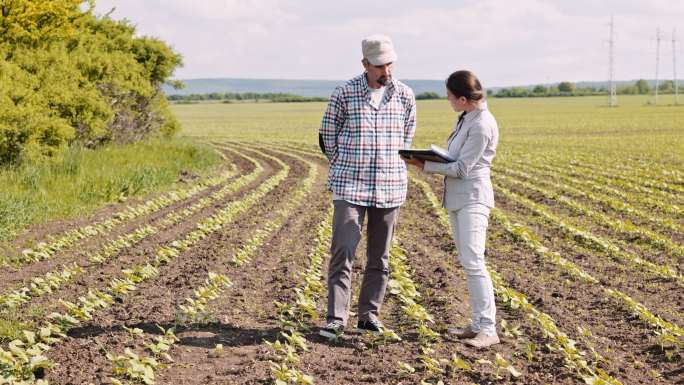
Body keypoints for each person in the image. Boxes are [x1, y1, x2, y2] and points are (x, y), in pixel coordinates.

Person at [318, 34, 416, 340]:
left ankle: (368, 316)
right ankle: (336, 318)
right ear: (365, 65)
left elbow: (407, 137)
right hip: (350, 186)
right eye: (379, 65)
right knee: (343, 251)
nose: (386, 70)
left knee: (380, 256)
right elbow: (327, 136)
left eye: (389, 63)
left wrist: (389, 164)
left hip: (389, 187)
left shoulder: (404, 95)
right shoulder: (345, 93)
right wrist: (346, 164)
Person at [404, 70, 500, 348]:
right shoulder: (468, 118)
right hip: (458, 199)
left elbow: (462, 168)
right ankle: (477, 323)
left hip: (473, 198)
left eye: (449, 96)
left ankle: (489, 329)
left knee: (474, 262)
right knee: (468, 262)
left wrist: (424, 164)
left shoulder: (482, 124)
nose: (447, 100)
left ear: (462, 98)